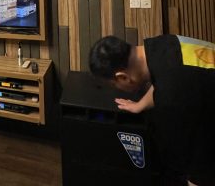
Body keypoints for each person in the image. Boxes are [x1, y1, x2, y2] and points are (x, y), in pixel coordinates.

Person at [89, 34, 215, 186]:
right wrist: (141, 104)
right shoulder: (164, 44)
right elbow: (171, 77)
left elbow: (201, 169)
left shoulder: (173, 99)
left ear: (122, 77)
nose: (116, 88)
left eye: (113, 84)